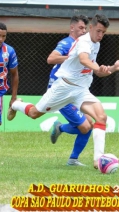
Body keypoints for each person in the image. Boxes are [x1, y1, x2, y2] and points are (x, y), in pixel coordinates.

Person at [10, 14, 119, 169]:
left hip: (81, 90)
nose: (100, 35)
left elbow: (99, 72)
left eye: (103, 33)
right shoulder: (83, 42)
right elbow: (84, 60)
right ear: (91, 28)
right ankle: (15, 104)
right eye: (99, 31)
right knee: (34, 113)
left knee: (101, 117)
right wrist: (96, 67)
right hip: (64, 87)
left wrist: (113, 68)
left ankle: (98, 160)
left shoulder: (96, 44)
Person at [47, 15, 92, 166]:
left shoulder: (83, 45)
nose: (83, 31)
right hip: (61, 90)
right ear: (71, 28)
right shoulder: (67, 43)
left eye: (85, 28)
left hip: (75, 89)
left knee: (90, 123)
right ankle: (60, 128)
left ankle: (73, 159)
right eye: (80, 27)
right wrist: (71, 58)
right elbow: (51, 59)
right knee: (85, 126)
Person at [0, 22, 19, 135]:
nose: (0, 39)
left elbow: (14, 74)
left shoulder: (9, 52)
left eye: (3, 36)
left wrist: (13, 97)